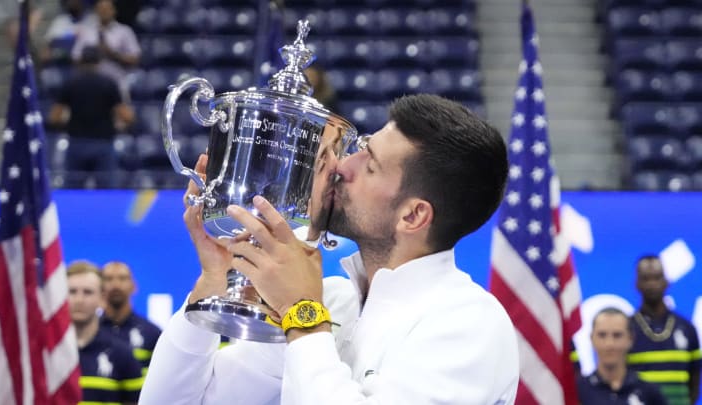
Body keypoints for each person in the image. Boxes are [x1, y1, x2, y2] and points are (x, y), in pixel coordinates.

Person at [140, 94, 520, 404]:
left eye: (369, 165)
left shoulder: (470, 323)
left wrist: (302, 315)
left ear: (413, 216)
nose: (340, 165)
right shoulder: (333, 301)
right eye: (361, 147)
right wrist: (214, 283)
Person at [47, 45, 134, 188]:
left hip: (76, 143)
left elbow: (54, 117)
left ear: (80, 61)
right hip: (103, 144)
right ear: (99, 61)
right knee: (106, 194)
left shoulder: (70, 83)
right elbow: (127, 116)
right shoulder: (108, 83)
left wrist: (68, 122)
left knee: (73, 193)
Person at [67, 260, 143, 404]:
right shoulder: (46, 355)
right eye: (72, 291)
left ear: (102, 298)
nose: (79, 299)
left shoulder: (122, 355)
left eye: (88, 292)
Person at [628, 255, 701, 405]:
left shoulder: (687, 328)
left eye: (656, 278)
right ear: (637, 284)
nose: (652, 284)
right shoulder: (626, 329)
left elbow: (695, 381)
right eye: (646, 279)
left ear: (666, 282)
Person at [577, 307, 667, 404]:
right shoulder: (578, 390)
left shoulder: (649, 392)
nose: (609, 344)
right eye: (602, 335)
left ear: (630, 339)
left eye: (617, 335)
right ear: (591, 339)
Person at [100, 261, 162, 376]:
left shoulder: (152, 333)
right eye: (108, 279)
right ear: (99, 287)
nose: (116, 285)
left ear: (134, 286)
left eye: (122, 278)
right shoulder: (91, 332)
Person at [71, 0, 140, 97]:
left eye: (107, 9)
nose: (104, 12)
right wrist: (92, 56)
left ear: (114, 11)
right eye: (101, 9)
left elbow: (134, 59)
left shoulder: (124, 31)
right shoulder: (87, 32)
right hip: (91, 88)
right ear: (96, 11)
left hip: (118, 86)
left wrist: (112, 54)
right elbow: (75, 58)